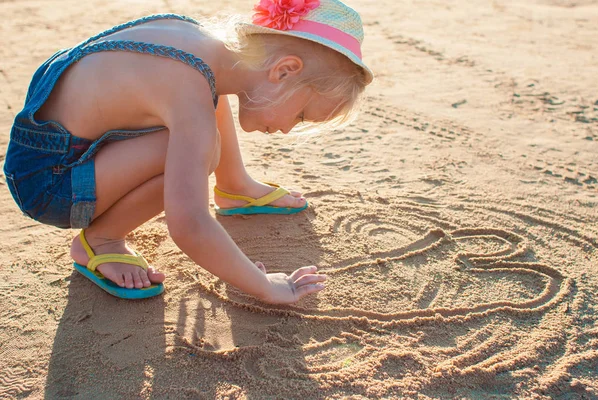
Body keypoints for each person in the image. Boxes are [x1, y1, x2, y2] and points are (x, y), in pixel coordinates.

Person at [2, 0, 373, 302]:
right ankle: (101, 240)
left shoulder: (200, 45)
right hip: (50, 185)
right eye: (302, 114)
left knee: (204, 103)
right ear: (285, 70)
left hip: (49, 152)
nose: (289, 129)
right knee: (201, 143)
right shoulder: (187, 86)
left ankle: (235, 185)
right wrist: (267, 287)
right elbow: (189, 224)